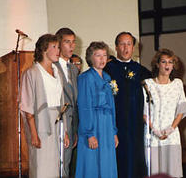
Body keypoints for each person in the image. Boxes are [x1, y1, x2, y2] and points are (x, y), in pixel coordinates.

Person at [20, 34, 70, 178]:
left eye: (58, 47)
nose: (58, 51)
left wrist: (64, 130)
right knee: (42, 166)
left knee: (56, 166)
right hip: (41, 124)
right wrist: (34, 134)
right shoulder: (32, 73)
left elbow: (61, 103)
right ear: (43, 50)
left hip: (57, 123)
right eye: (54, 47)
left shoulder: (57, 72)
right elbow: (27, 106)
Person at [104, 32, 152, 178]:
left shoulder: (141, 71)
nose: (125, 48)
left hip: (135, 126)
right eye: (122, 44)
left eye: (129, 44)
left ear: (133, 47)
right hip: (114, 125)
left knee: (135, 160)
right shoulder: (107, 69)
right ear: (116, 47)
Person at [142, 49, 186, 178]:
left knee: (172, 171)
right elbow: (144, 112)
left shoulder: (178, 84)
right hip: (153, 136)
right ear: (157, 64)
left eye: (170, 62)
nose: (167, 65)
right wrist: (155, 130)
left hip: (171, 136)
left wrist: (170, 129)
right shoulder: (148, 84)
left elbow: (181, 110)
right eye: (164, 62)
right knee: (154, 171)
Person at [75, 41, 119, 178]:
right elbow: (84, 107)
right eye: (98, 55)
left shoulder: (107, 78)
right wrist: (89, 133)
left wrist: (113, 131)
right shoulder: (85, 78)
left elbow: (111, 107)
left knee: (107, 164)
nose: (102, 59)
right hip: (93, 125)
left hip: (106, 126)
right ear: (90, 57)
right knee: (92, 164)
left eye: (104, 55)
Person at [54, 27, 78, 176]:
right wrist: (63, 130)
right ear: (59, 44)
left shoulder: (74, 70)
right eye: (67, 42)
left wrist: (74, 130)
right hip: (58, 125)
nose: (71, 46)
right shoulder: (52, 67)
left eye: (73, 42)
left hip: (71, 126)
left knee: (66, 168)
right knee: (57, 167)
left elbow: (75, 103)